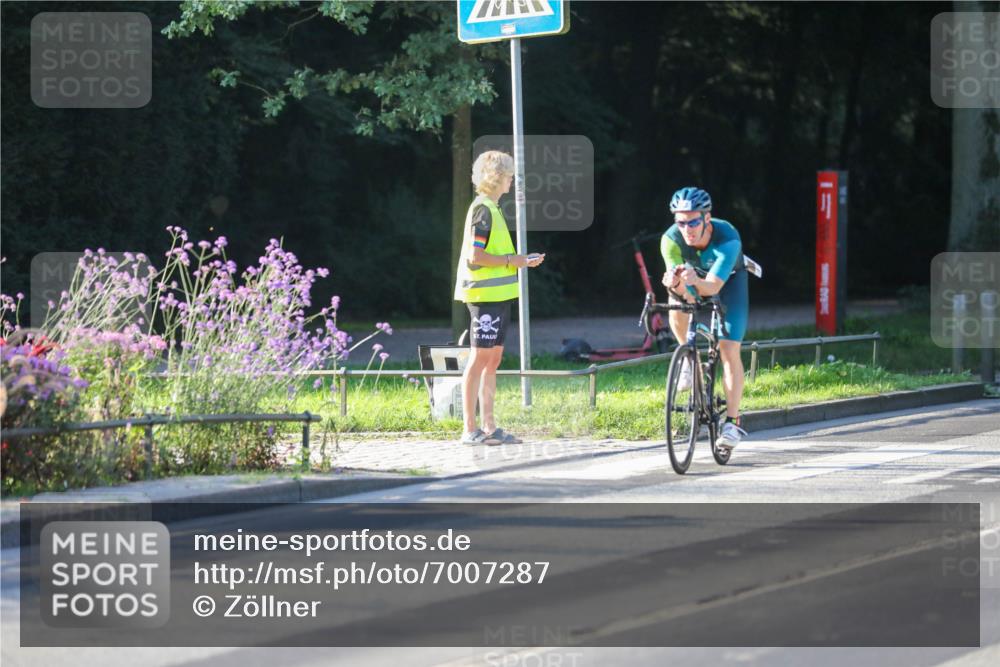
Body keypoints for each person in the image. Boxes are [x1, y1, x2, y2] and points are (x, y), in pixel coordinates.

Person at [454, 151, 545, 445]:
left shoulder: (490, 208)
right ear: (495, 177)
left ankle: (490, 427)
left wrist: (519, 260)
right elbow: (476, 256)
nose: (512, 180)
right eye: (508, 175)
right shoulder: (482, 210)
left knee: (492, 359)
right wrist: (513, 260)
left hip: (498, 297)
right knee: (480, 358)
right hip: (484, 297)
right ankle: (470, 429)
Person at [660, 186, 749, 450]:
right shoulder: (670, 240)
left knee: (728, 348)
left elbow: (711, 289)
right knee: (674, 301)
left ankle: (732, 422)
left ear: (706, 219)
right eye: (681, 222)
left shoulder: (727, 238)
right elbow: (684, 292)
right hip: (694, 279)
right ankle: (688, 357)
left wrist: (696, 281)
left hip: (727, 282)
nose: (686, 228)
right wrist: (674, 283)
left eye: (693, 222)